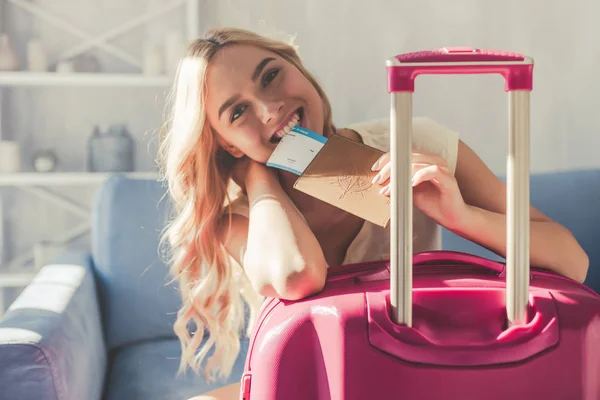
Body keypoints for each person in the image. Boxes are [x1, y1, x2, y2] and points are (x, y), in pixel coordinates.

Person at [157, 27, 589, 400]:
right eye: (238, 112)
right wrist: (257, 173)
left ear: (298, 67)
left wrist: (460, 216)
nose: (269, 109)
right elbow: (295, 274)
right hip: (307, 383)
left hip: (415, 372)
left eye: (271, 76)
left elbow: (573, 262)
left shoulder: (415, 143)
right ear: (227, 145)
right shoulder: (234, 218)